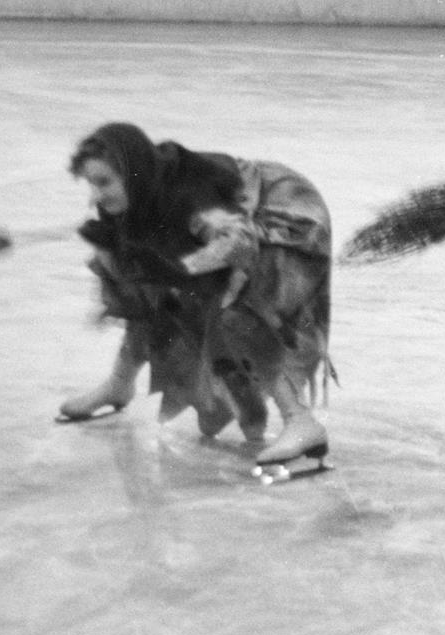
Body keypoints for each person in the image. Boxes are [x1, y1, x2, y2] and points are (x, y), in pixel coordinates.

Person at [57, 122, 335, 471]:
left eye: (104, 183)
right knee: (144, 282)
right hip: (231, 216)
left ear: (133, 175)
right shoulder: (131, 202)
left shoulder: (191, 201)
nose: (95, 195)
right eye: (91, 183)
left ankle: (301, 421)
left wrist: (182, 269)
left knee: (238, 302)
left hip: (284, 209)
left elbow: (239, 241)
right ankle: (119, 384)